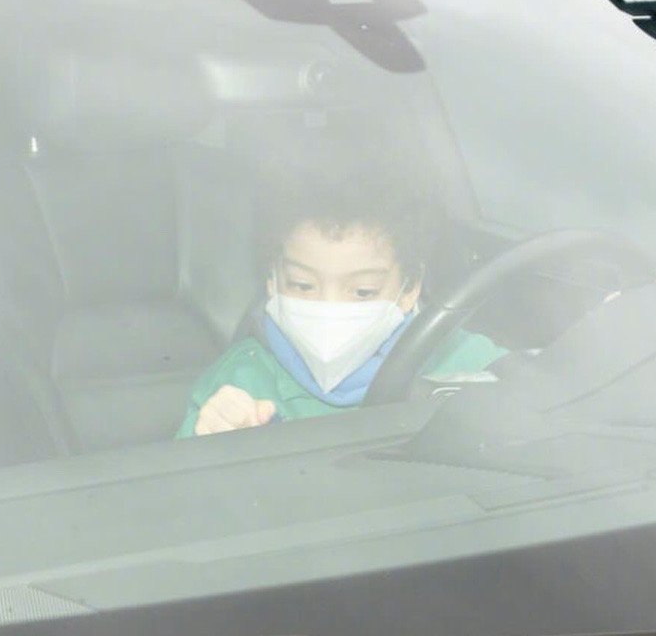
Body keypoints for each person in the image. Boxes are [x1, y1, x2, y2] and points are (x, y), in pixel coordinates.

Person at [178, 150, 504, 437]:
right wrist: (211, 435)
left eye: (362, 291)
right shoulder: (240, 379)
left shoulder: (470, 363)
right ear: (273, 280)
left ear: (410, 288)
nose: (329, 310)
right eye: (302, 285)